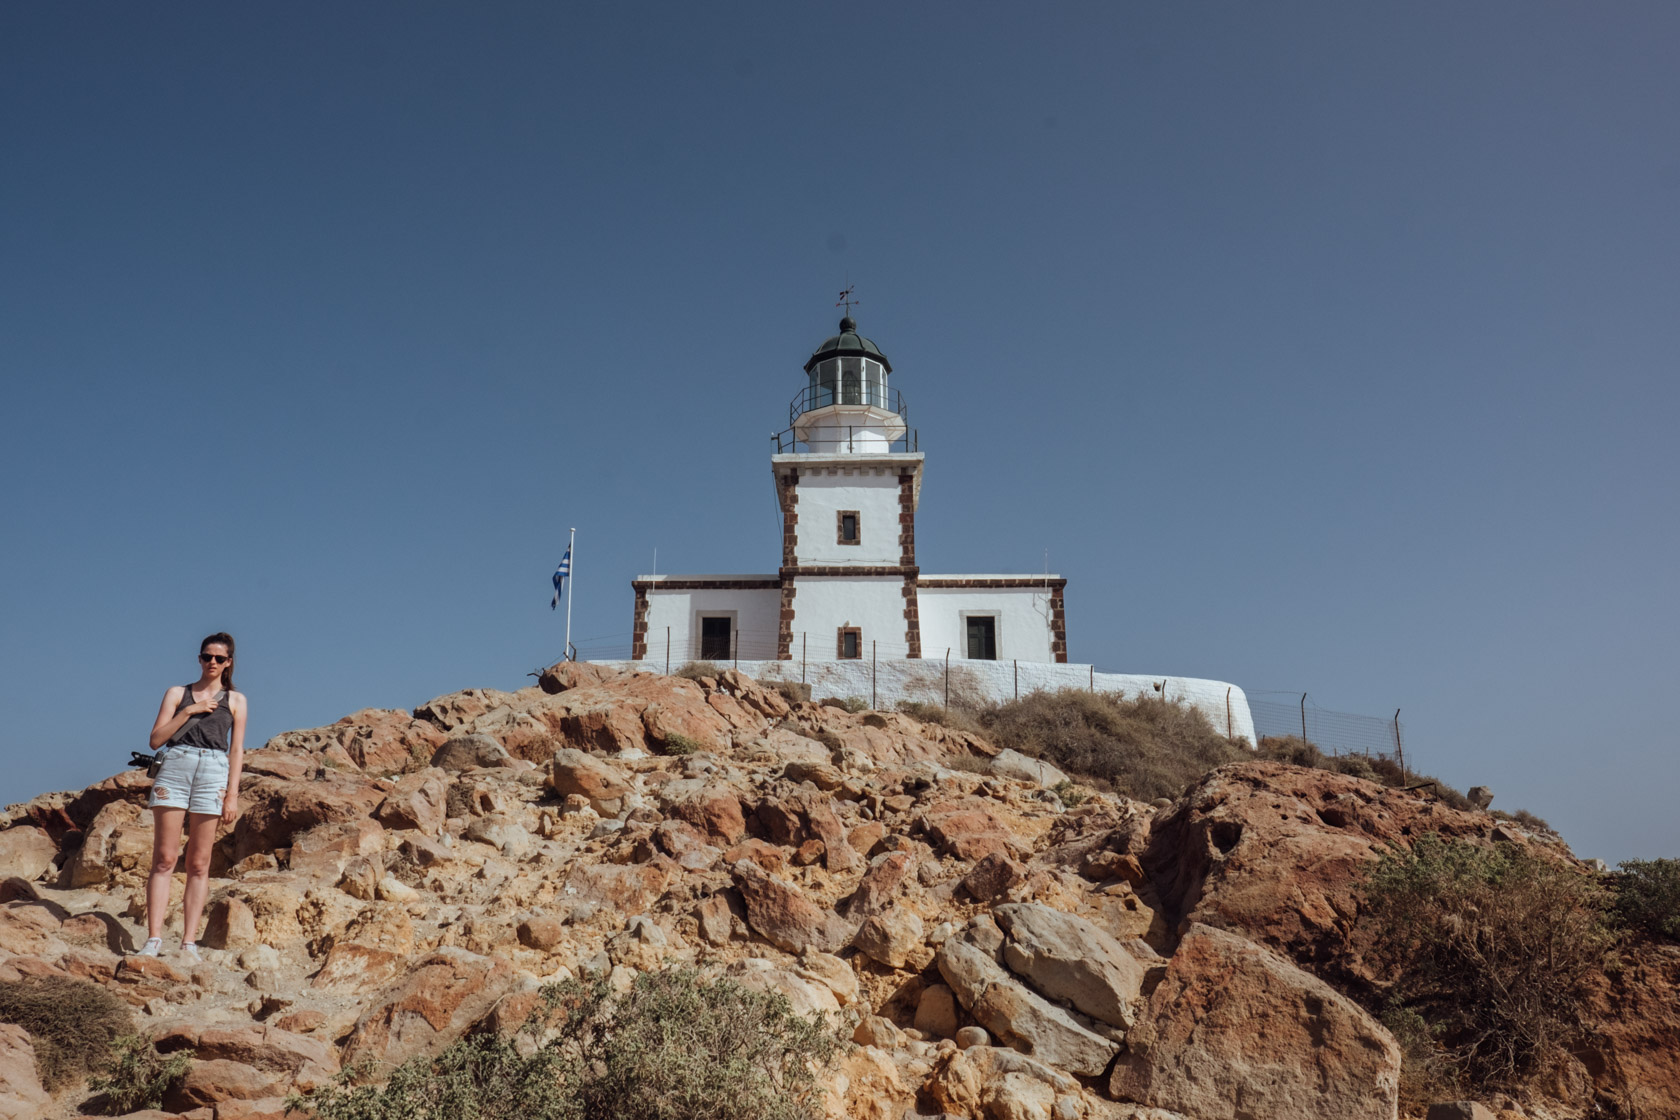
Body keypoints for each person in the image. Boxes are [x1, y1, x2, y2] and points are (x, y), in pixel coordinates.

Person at [139, 632, 246, 959]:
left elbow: (237, 749)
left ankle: (188, 942)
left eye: (218, 658)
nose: (211, 662)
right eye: (206, 656)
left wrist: (232, 794)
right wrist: (190, 711)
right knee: (165, 858)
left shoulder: (236, 700)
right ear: (199, 659)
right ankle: (154, 939)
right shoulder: (177, 693)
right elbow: (155, 739)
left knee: (199, 863)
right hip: (176, 765)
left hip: (214, 769)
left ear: (228, 662)